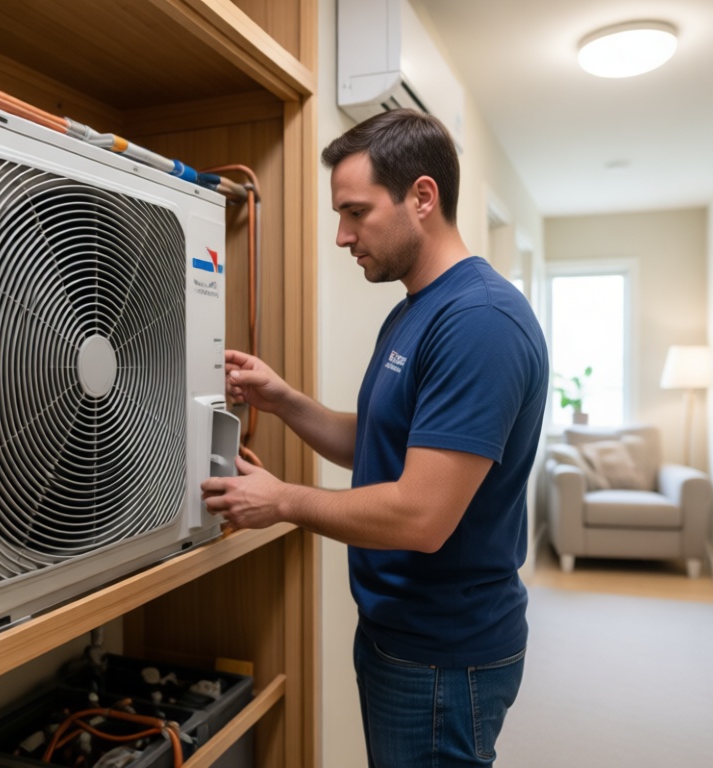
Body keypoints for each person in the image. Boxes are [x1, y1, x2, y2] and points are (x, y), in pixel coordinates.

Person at [200, 109, 549, 767]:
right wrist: (285, 401)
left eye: (356, 213)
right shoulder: (417, 310)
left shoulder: (480, 321)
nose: (341, 236)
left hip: (443, 653)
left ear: (423, 197)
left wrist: (283, 501)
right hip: (400, 634)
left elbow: (422, 515)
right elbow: (382, 443)